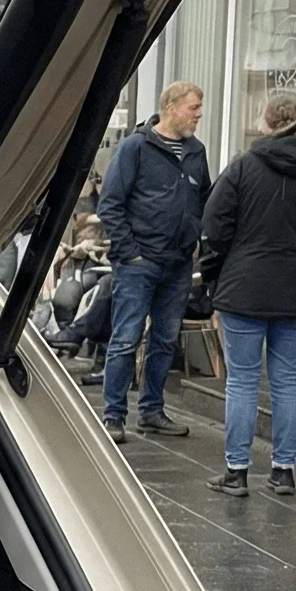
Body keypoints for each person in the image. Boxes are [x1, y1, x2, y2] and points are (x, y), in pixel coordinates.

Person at [198, 90, 296, 498]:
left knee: (243, 382)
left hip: (244, 286)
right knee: (287, 380)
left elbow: (214, 224)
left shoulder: (244, 167)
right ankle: (283, 471)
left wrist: (236, 251)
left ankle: (237, 471)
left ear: (264, 122)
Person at [96, 81, 212, 443]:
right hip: (139, 263)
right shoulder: (136, 147)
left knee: (165, 340)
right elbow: (110, 203)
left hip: (178, 265)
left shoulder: (196, 151)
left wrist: (196, 239)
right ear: (172, 106)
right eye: (193, 107)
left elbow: (203, 200)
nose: (199, 114)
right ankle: (113, 415)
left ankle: (152, 412)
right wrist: (131, 252)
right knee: (127, 337)